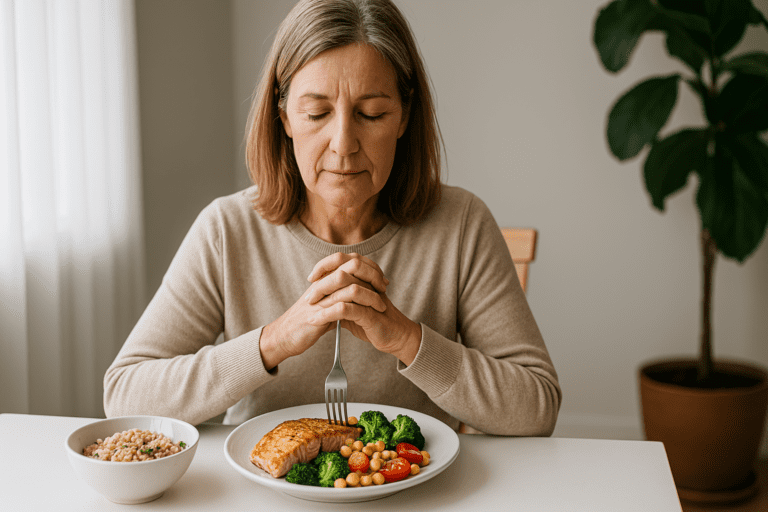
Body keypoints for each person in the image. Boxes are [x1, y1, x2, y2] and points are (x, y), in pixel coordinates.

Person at [104, 0, 561, 436]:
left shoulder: (461, 224)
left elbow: (536, 406)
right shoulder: (226, 230)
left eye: (371, 113)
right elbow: (124, 396)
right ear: (283, 116)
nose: (343, 143)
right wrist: (275, 341)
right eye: (317, 113)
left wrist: (406, 339)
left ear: (403, 116)